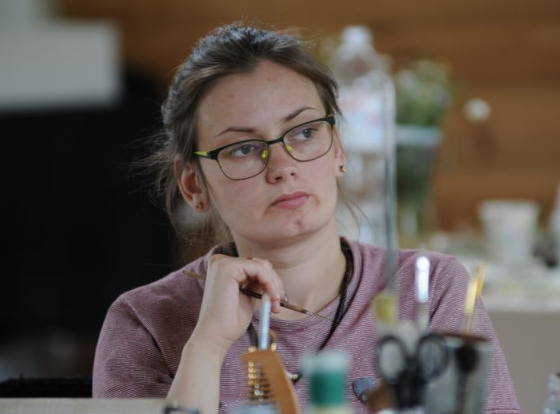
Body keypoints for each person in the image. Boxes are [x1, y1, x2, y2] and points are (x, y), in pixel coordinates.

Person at [92, 23, 521, 414]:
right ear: (193, 186)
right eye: (243, 149)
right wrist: (206, 346)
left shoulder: (429, 289)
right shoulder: (144, 322)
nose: (283, 167)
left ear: (339, 149)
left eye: (304, 132)